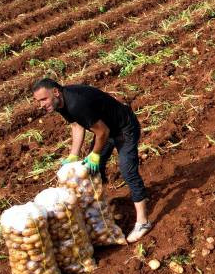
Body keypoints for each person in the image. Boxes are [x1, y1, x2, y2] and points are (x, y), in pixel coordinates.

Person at [31, 79, 152, 243]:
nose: (41, 105)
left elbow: (103, 132)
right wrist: (73, 155)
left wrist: (94, 154)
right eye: (38, 101)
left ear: (55, 92)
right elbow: (77, 126)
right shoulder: (60, 103)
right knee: (93, 170)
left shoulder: (76, 103)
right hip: (107, 129)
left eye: (43, 99)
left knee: (127, 170)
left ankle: (143, 222)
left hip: (123, 127)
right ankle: (103, 208)